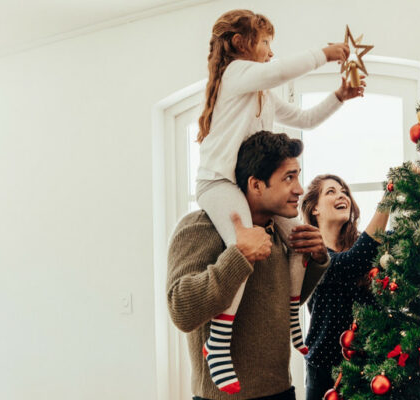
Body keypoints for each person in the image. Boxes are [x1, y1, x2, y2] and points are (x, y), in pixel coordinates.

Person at [195, 9, 364, 393]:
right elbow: (279, 71)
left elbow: (304, 119)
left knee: (299, 238)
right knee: (247, 245)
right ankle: (218, 341)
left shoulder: (263, 95)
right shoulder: (235, 74)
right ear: (241, 44)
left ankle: (292, 317)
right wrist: (325, 53)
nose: (271, 52)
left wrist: (339, 96)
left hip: (244, 185)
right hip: (218, 183)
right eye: (266, 43)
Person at [167, 131, 330, 399]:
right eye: (289, 177)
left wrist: (316, 258)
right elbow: (182, 311)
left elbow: (275, 305)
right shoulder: (200, 227)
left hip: (281, 392)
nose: (300, 189)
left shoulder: (278, 231)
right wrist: (238, 256)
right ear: (256, 185)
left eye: (298, 176)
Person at [299, 174, 390, 400]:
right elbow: (349, 264)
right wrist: (390, 197)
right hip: (326, 374)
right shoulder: (311, 254)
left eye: (344, 191)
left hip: (373, 369)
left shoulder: (367, 248)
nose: (342, 195)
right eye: (331, 192)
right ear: (314, 209)